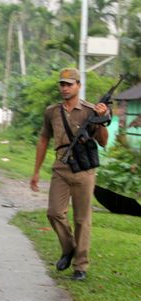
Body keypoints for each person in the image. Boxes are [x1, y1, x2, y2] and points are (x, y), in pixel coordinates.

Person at [30, 68, 109, 281]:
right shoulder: (51, 112)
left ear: (78, 86)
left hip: (84, 170)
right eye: (62, 84)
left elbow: (103, 141)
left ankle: (80, 266)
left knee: (82, 219)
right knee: (54, 212)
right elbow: (44, 139)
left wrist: (101, 119)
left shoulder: (90, 110)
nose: (64, 88)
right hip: (61, 167)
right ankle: (69, 248)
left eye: (69, 84)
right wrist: (36, 171)